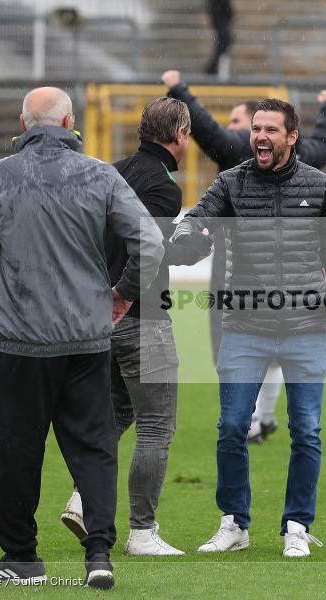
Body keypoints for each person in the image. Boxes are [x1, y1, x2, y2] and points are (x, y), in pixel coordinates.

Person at [0, 87, 163, 589]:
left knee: (15, 450)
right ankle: (99, 554)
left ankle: (22, 559)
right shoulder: (101, 175)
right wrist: (121, 294)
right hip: (87, 339)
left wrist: (13, 297)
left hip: (21, 344)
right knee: (95, 447)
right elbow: (150, 240)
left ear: (24, 123)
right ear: (70, 121)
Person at [171, 98, 326, 557]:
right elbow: (198, 217)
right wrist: (188, 236)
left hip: (306, 326)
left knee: (306, 431)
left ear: (292, 137)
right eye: (256, 129)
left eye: (271, 129)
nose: (260, 137)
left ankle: (296, 525)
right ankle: (234, 522)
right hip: (244, 326)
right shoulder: (231, 183)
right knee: (232, 425)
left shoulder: (321, 187)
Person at [60, 98, 212, 556]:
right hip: (140, 317)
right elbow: (149, 252)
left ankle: (83, 500)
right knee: (156, 427)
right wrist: (196, 249)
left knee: (116, 414)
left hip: (95, 318)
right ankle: (142, 532)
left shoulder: (112, 171)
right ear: (181, 133)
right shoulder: (164, 187)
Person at [162, 69, 326, 444]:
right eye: (248, 127)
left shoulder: (234, 152)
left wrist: (179, 88)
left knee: (230, 339)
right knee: (276, 347)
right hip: (293, 290)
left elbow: (207, 130)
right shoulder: (302, 159)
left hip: (239, 266)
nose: (239, 131)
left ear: (285, 135)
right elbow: (325, 142)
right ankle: (261, 417)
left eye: (237, 121)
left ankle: (252, 417)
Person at [205, 0, 234, 78]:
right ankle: (212, 69)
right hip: (220, 14)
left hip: (220, 14)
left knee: (224, 42)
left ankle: (213, 69)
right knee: (224, 41)